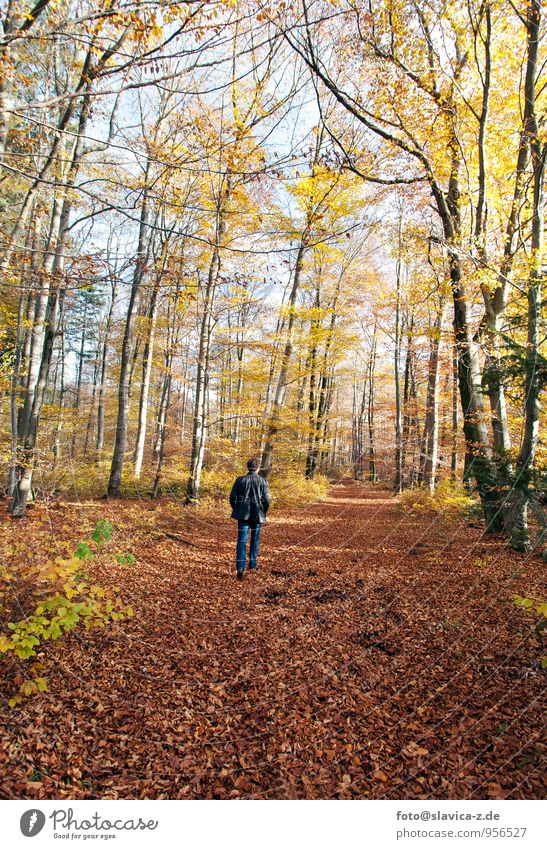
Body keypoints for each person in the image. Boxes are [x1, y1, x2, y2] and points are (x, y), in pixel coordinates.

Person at [229, 458, 270, 580]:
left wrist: (237, 508)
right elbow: (267, 500)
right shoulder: (263, 481)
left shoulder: (240, 480)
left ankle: (240, 567)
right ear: (258, 468)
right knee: (255, 539)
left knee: (241, 540)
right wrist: (264, 512)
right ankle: (252, 565)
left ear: (248, 467)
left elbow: (232, 497)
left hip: (243, 515)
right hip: (257, 515)